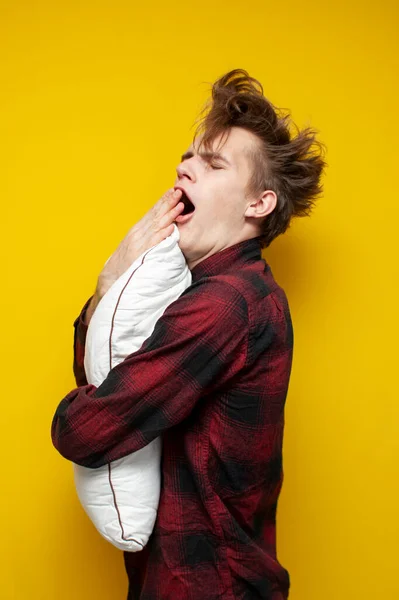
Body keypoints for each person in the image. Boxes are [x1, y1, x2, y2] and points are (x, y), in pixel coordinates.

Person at [51, 69, 325, 599]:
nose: (184, 168)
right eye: (188, 156)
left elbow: (83, 433)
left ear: (258, 204)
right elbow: (112, 389)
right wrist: (110, 285)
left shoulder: (226, 304)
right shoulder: (200, 294)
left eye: (212, 162)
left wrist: (72, 410)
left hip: (207, 586)